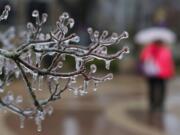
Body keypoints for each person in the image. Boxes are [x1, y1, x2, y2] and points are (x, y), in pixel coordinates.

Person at [140, 40, 175, 112]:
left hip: (161, 73)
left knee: (158, 89)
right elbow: (143, 58)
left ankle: (158, 105)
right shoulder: (151, 49)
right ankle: (155, 105)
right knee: (155, 89)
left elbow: (169, 62)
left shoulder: (163, 50)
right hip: (154, 73)